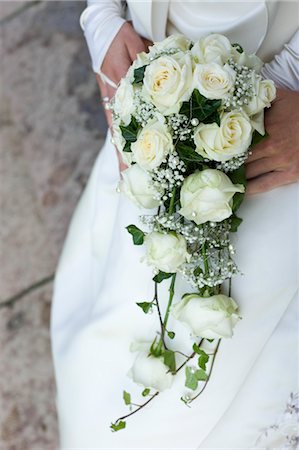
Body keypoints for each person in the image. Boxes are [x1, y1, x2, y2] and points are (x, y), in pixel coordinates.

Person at [51, 1, 299, 448]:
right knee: (104, 384)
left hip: (282, 130)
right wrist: (102, 20)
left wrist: (294, 76)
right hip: (154, 104)